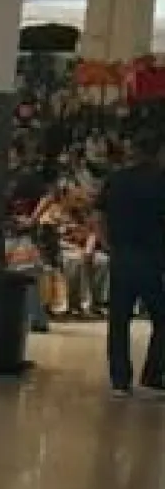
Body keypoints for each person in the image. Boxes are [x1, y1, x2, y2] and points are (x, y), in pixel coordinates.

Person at [95, 133, 165, 398]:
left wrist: (107, 243)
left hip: (121, 257)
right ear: (158, 153)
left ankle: (120, 380)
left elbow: (98, 214)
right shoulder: (160, 181)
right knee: (162, 317)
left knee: (119, 319)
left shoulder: (116, 180)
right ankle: (154, 373)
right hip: (151, 259)